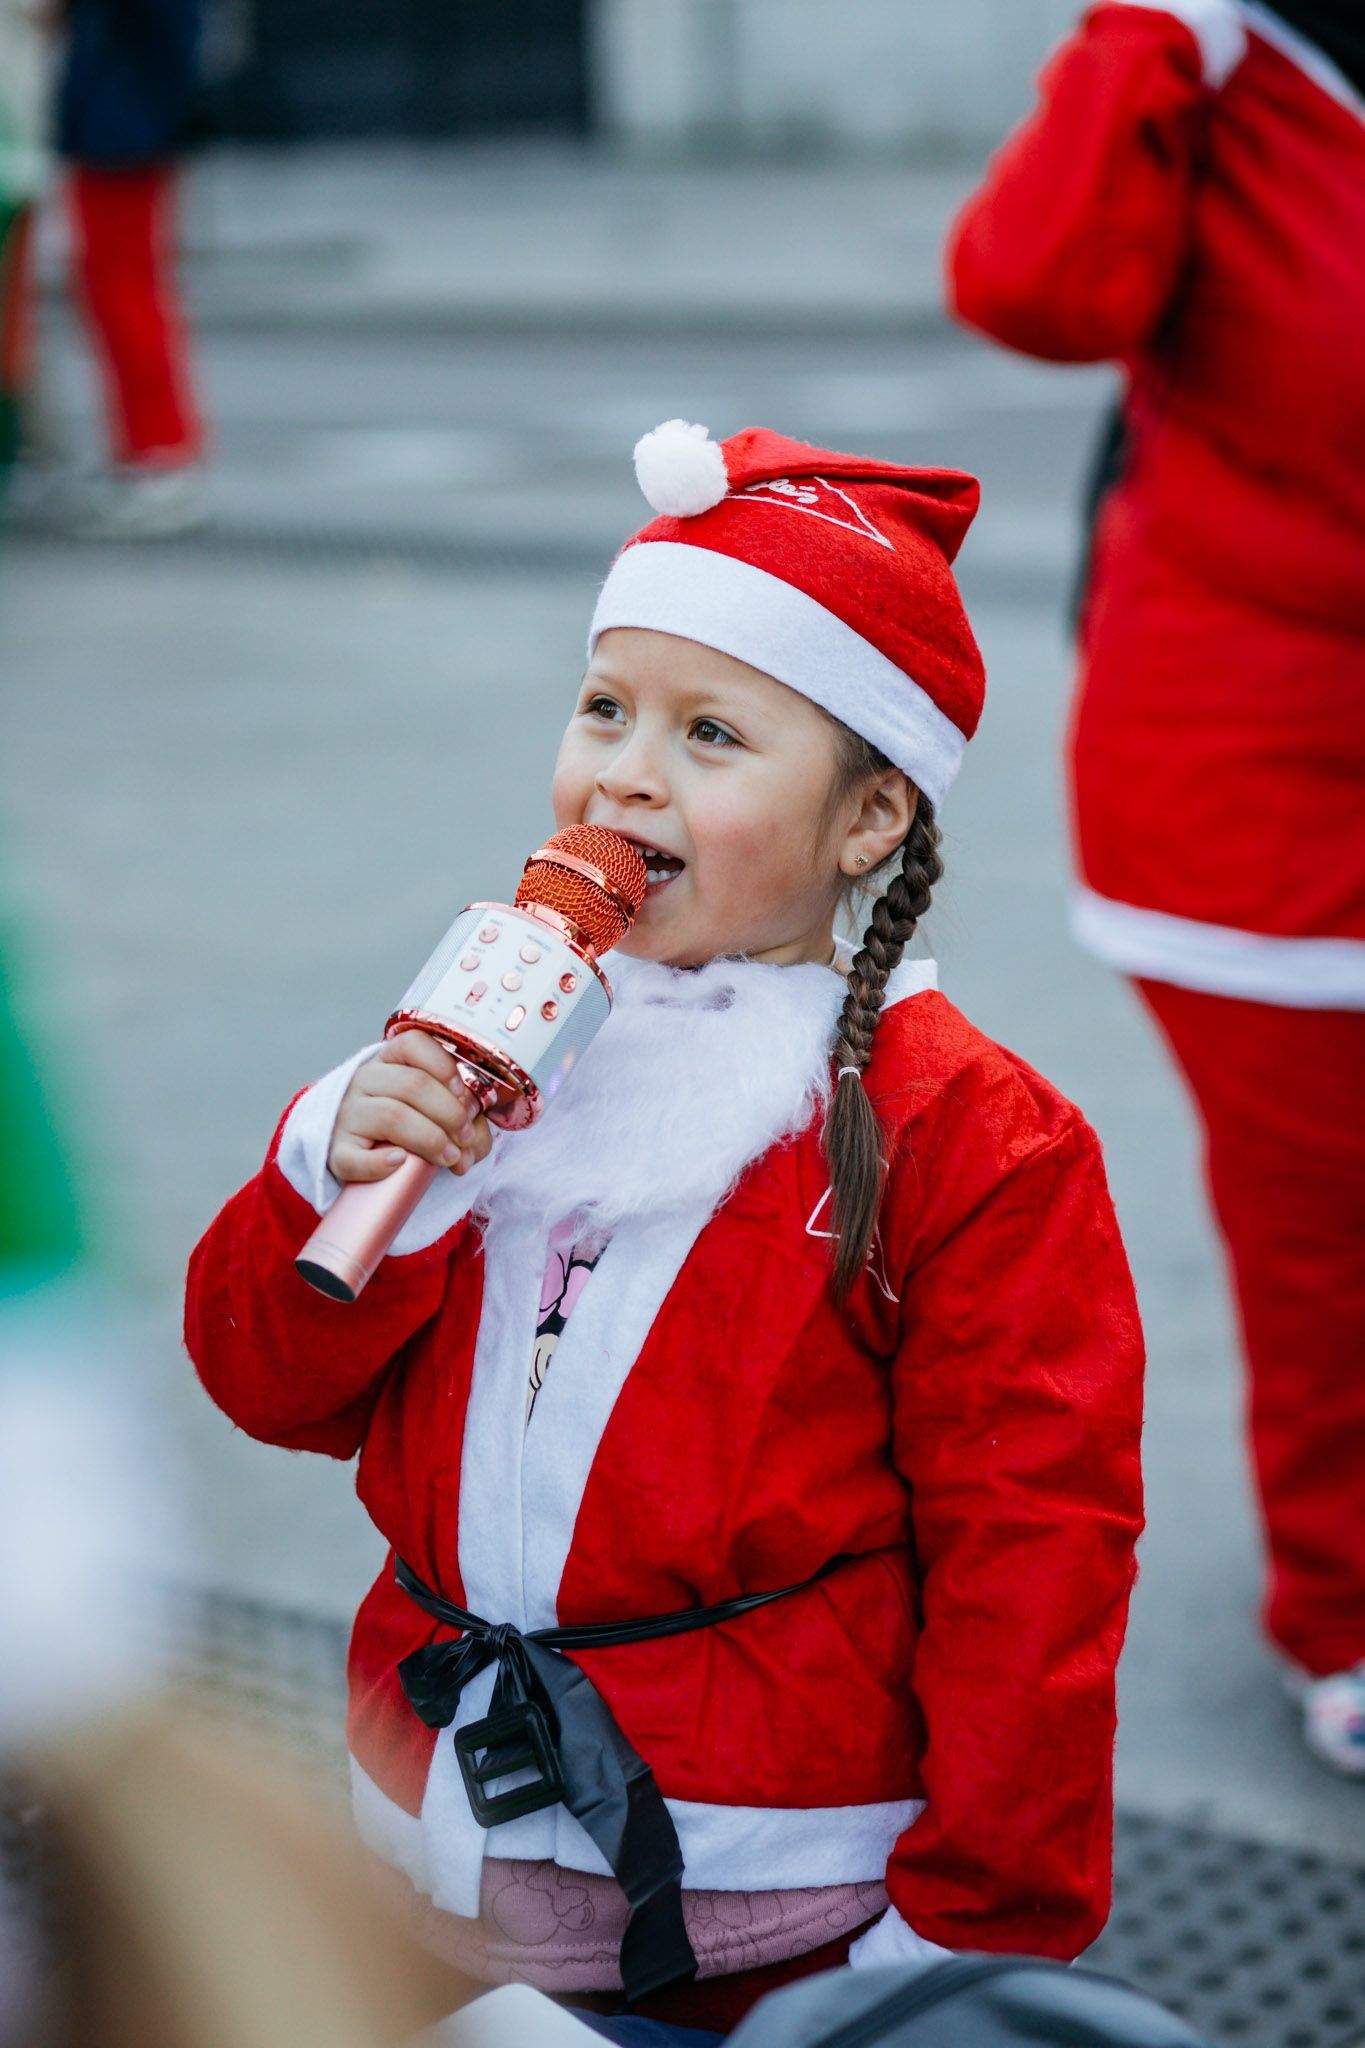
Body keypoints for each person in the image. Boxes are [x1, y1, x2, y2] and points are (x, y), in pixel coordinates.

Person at [184, 420, 1146, 2043]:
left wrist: (972, 1917)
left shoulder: (970, 1133)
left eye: (713, 732)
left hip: (757, 1880)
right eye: (606, 706)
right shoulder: (490, 1042)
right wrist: (327, 1169)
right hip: (430, 1813)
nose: (628, 770)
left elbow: (1037, 1555)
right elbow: (269, 1385)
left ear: (866, 819)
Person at [945, 3, 1365, 1774]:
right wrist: (1152, 29)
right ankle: (1347, 1607)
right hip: (1261, 765)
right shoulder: (1233, 65)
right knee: (1327, 1235)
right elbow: (1030, 283)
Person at [57, 0, 207, 535]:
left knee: (125, 293)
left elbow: (169, 40)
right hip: (115, 128)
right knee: (112, 291)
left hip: (122, 134)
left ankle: (160, 455)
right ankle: (148, 452)